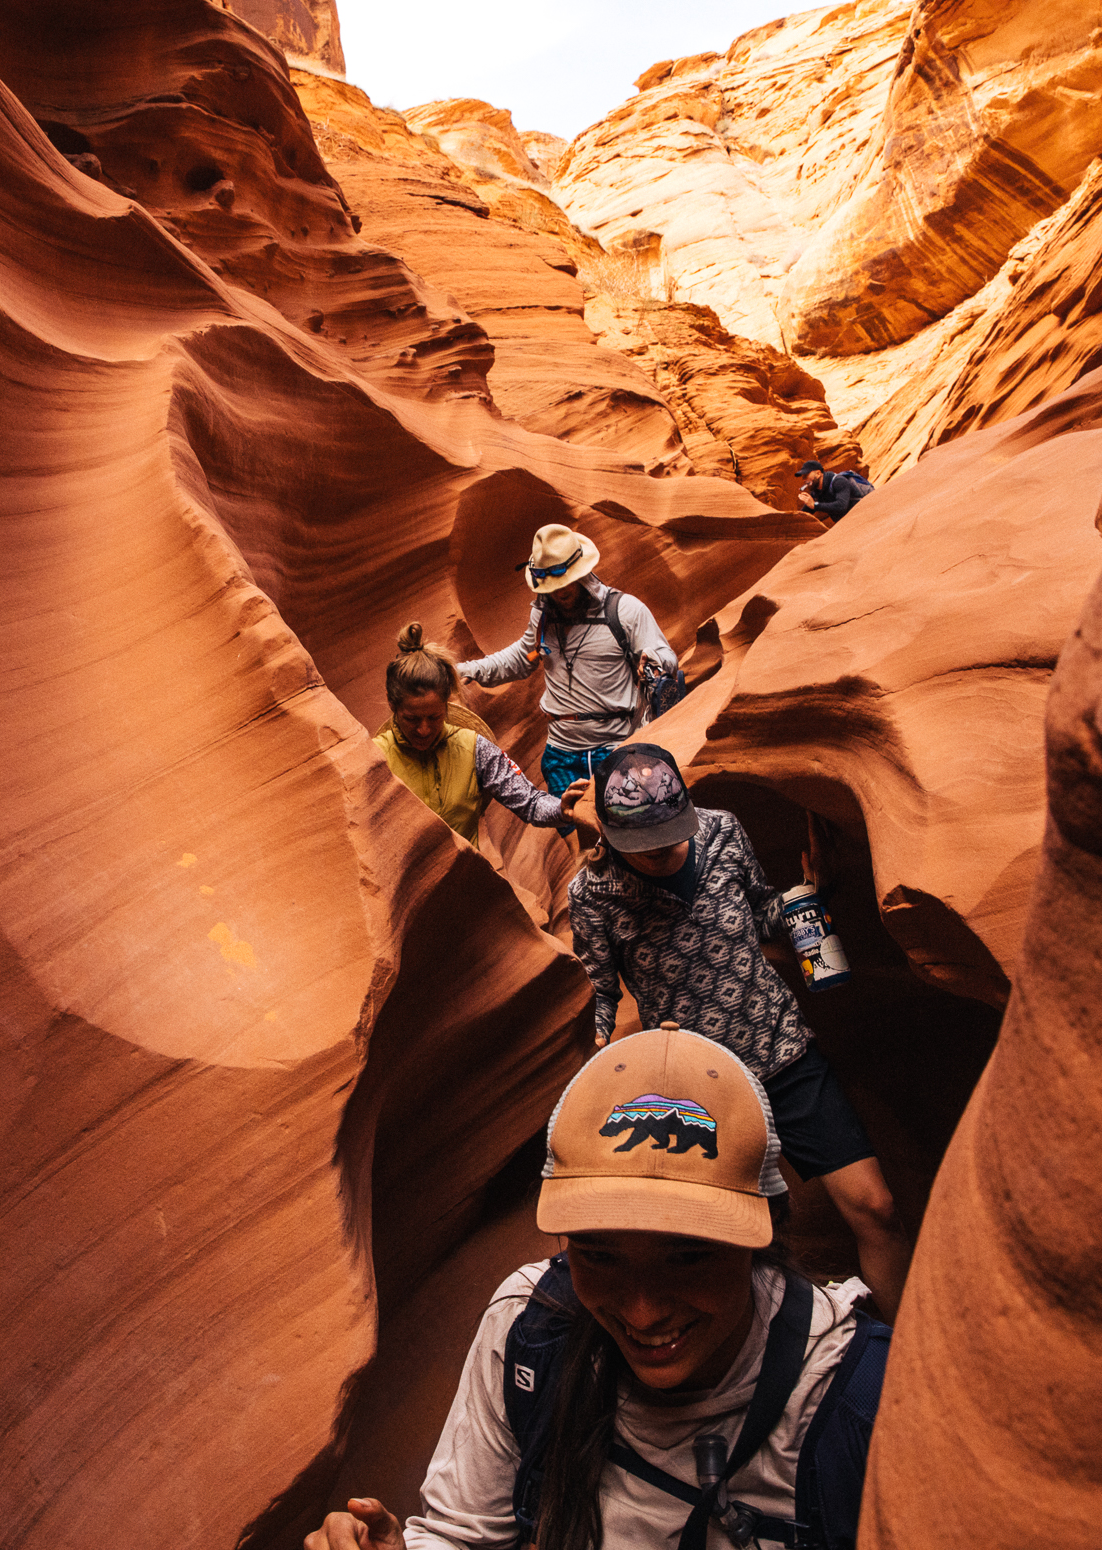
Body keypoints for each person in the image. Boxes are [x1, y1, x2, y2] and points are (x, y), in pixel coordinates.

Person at [306, 1024, 890, 1550]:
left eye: (686, 1258)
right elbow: (464, 1536)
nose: (642, 1311)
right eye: (599, 1256)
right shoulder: (531, 1328)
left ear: (759, 1244)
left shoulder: (862, 1405)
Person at [564, 744, 914, 1317]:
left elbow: (760, 914)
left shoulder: (722, 832)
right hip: (703, 1087)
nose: (658, 852)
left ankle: (895, 1361)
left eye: (668, 835)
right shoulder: (593, 895)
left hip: (783, 1051)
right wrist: (600, 1053)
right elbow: (602, 991)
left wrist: (809, 894)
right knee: (749, 1247)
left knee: (877, 1209)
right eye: (642, 843)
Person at [457, 524, 678, 801]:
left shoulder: (625, 611)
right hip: (560, 754)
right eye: (552, 586)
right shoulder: (543, 617)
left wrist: (655, 661)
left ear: (583, 572)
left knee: (623, 829)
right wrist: (471, 669)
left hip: (616, 748)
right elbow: (521, 657)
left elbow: (667, 657)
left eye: (566, 581)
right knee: (574, 829)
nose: (560, 592)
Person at [375, 622, 586, 843]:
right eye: (412, 719)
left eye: (434, 717)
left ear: (447, 705)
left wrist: (560, 809)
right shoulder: (376, 757)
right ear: (392, 705)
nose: (424, 729)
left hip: (465, 874)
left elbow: (530, 803)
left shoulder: (474, 748)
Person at [795, 460, 873, 523]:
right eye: (803, 477)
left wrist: (815, 505)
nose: (804, 479)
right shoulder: (817, 492)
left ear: (818, 473)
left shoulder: (839, 481)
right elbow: (804, 514)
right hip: (851, 523)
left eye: (806, 475)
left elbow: (841, 506)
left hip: (868, 513)